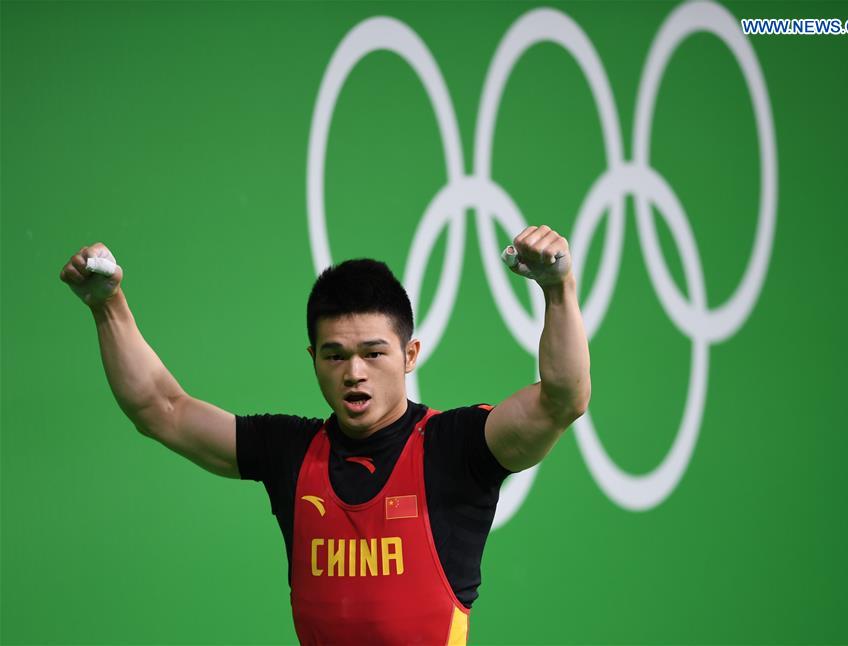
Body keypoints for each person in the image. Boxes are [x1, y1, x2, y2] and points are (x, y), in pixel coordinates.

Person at [59, 224, 591, 645]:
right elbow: (160, 409)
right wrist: (107, 305)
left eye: (373, 353)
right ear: (313, 358)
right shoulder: (289, 452)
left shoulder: (454, 448)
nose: (354, 372)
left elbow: (561, 400)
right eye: (335, 356)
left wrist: (557, 288)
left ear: (409, 355)